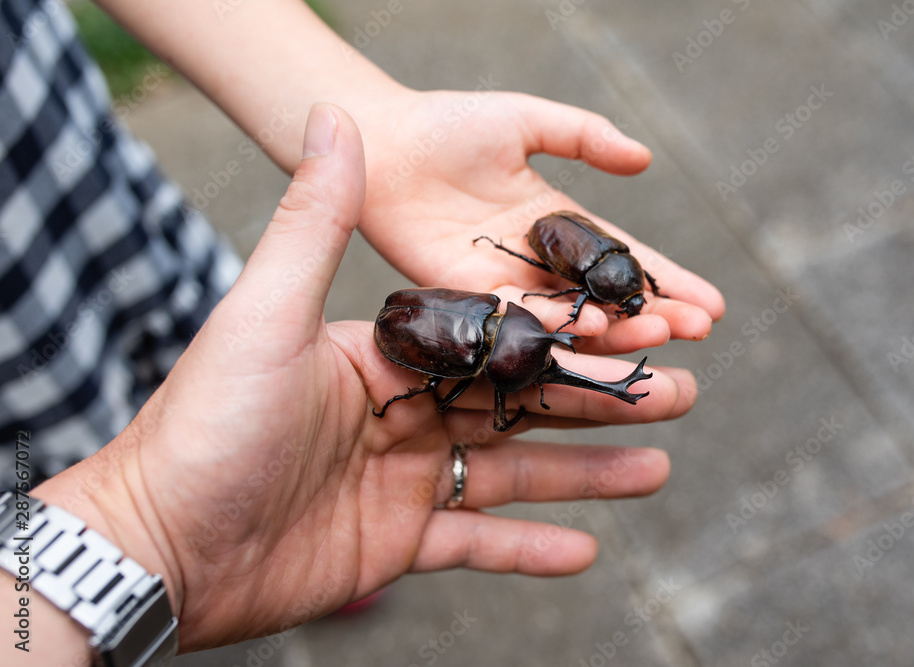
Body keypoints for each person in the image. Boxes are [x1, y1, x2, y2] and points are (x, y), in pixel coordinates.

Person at [3, 104, 694, 664]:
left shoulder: (504, 317)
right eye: (549, 349)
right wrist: (143, 528)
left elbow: (517, 353)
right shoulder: (491, 349)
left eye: (546, 353)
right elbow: (481, 374)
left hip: (453, 326)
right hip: (421, 336)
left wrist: (147, 526)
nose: (553, 352)